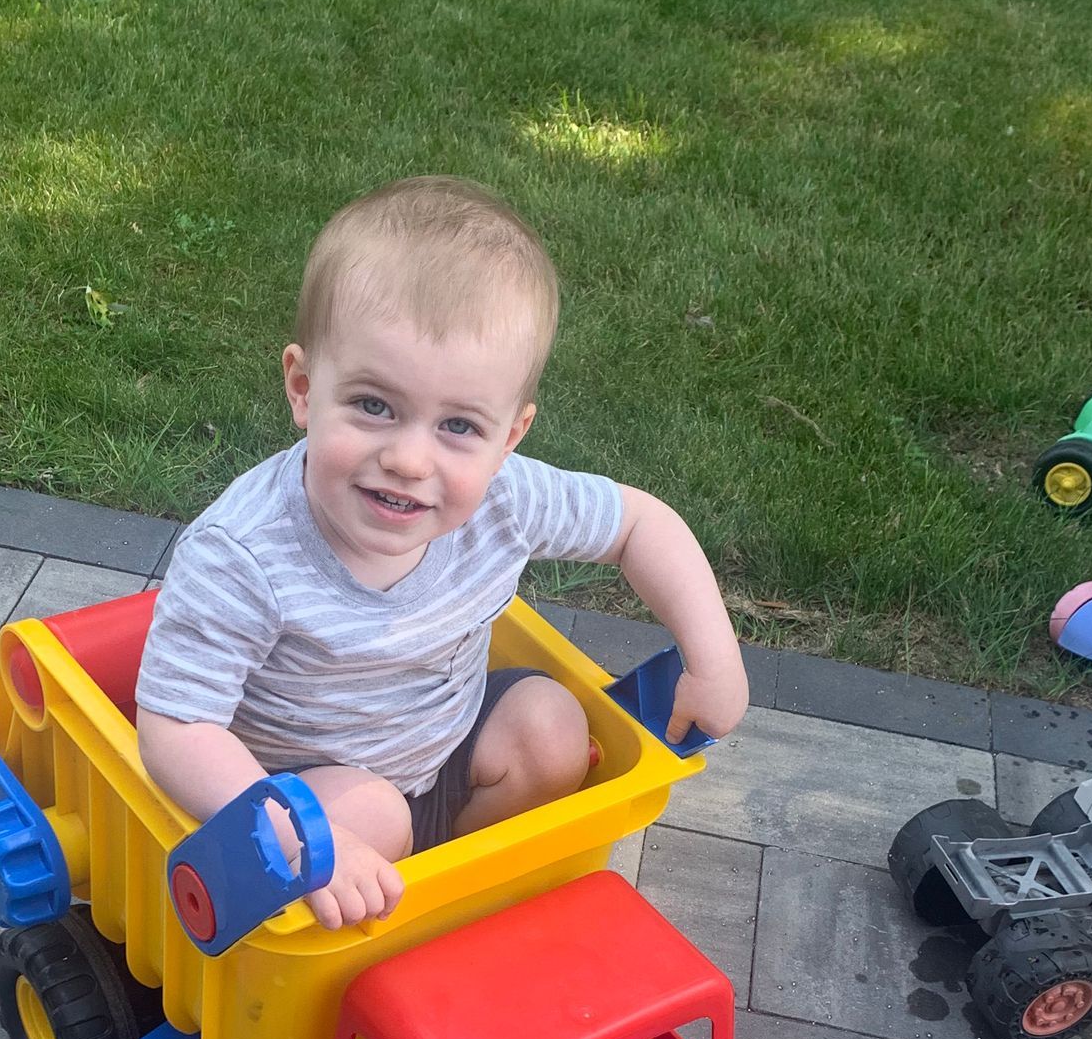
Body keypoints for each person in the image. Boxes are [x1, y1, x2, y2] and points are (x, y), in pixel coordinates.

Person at [135, 176, 750, 929]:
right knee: (374, 812)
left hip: (442, 761)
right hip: (297, 798)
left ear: (509, 436)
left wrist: (713, 658)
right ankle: (384, 909)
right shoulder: (245, 553)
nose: (409, 459)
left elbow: (640, 525)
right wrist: (295, 835)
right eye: (373, 406)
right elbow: (174, 726)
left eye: (458, 426)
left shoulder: (506, 497)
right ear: (302, 388)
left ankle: (456, 889)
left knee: (552, 726)